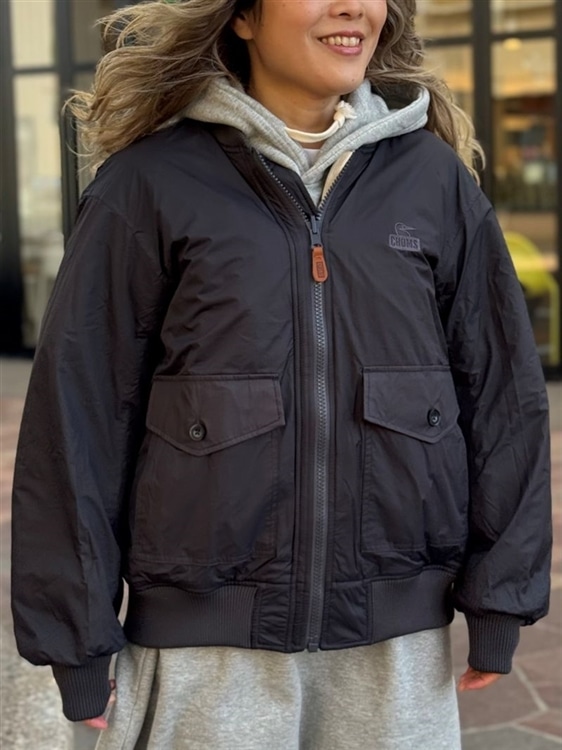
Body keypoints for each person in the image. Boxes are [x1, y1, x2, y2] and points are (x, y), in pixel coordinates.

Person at [11, 0, 552, 748]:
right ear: (242, 17)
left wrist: (500, 599)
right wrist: (76, 637)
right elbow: (77, 415)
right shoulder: (149, 184)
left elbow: (503, 394)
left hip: (394, 647)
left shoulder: (433, 181)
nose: (353, 6)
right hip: (205, 651)